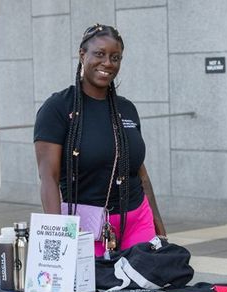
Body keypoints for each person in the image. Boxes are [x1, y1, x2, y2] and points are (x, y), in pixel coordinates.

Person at [34, 23, 166, 257]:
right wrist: (56, 237)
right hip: (87, 226)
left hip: (137, 219)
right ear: (82, 54)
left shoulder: (126, 109)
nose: (107, 63)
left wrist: (156, 219)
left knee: (146, 287)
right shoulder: (58, 108)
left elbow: (140, 171)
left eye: (115, 57)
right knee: (95, 291)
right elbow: (48, 177)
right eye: (99, 54)